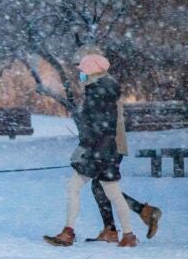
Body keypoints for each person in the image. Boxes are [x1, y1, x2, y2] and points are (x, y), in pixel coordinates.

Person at [71, 46, 162, 243]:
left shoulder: (103, 87)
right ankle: (129, 219)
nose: (80, 74)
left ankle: (123, 224)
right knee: (102, 186)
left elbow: (103, 122)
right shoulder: (104, 84)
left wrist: (90, 145)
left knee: (102, 185)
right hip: (110, 143)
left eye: (81, 68)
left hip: (110, 144)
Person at [44, 54, 137, 247]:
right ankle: (128, 235)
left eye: (83, 71)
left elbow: (93, 127)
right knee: (113, 192)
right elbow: (104, 126)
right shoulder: (108, 89)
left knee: (73, 187)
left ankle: (68, 232)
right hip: (107, 150)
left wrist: (84, 149)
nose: (81, 75)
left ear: (92, 70)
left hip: (96, 151)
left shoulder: (96, 92)